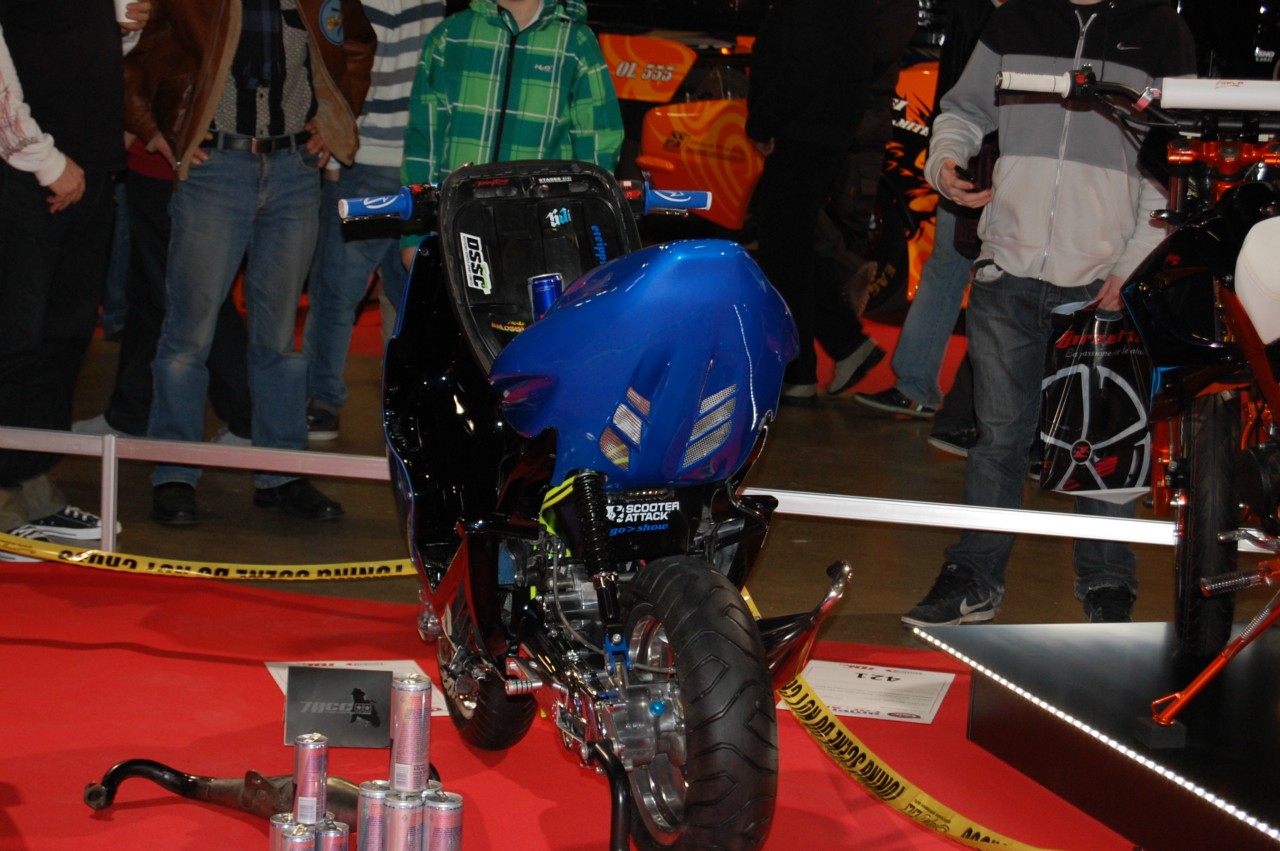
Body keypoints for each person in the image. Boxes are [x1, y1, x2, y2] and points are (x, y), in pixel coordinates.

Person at [901, 0, 1196, 627]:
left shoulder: (1160, 32)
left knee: (1106, 442)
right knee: (997, 441)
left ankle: (1108, 584)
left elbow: (1174, 158)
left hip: (1104, 277)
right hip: (1006, 269)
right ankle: (974, 576)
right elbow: (963, 109)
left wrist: (1133, 265)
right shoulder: (1015, 21)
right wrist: (944, 163)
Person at [123, 0, 375, 526]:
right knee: (187, 337)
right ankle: (175, 473)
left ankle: (281, 472)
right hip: (215, 168)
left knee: (279, 340)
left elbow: (355, 43)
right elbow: (134, 59)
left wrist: (335, 118)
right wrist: (157, 132)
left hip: (294, 170)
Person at [0, 3, 149, 554]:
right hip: (26, 168)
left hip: (88, 161)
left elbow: (73, 43)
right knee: (16, 338)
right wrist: (40, 158)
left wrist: (121, 26)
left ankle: (30, 481)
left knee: (63, 336)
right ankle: (3, 499)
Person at [854, 0, 1001, 427]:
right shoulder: (992, 15)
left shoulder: (991, 16)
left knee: (971, 274)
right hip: (977, 155)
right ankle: (926, 389)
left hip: (983, 155)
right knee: (958, 270)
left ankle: (929, 391)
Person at [302, 0, 444, 442]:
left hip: (372, 159)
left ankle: (324, 403)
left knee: (338, 294)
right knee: (405, 300)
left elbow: (347, 69)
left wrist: (334, 161)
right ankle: (406, 409)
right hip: (408, 161)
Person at [399, 0, 624, 268]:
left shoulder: (575, 41)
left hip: (543, 228)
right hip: (458, 223)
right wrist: (414, 233)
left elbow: (599, 142)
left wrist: (588, 225)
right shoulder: (451, 35)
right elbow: (423, 141)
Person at [71, 143, 254, 445]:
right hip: (155, 166)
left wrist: (153, 133)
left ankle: (248, 418)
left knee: (199, 296)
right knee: (150, 294)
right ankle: (132, 413)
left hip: (181, 169)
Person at [745, 0, 875, 406]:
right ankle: (846, 344)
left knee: (784, 248)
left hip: (802, 129)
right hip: (825, 127)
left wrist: (762, 120)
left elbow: (800, 64)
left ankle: (801, 371)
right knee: (792, 245)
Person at [810, 0, 918, 399]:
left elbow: (875, 50)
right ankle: (844, 348)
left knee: (837, 226)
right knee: (813, 226)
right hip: (842, 117)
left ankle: (846, 348)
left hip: (857, 119)